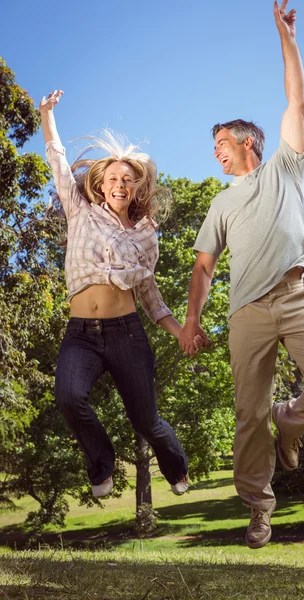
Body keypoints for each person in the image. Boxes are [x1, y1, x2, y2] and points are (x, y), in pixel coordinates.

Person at [179, 1, 304, 549]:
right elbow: (203, 267)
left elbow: (297, 99)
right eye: (213, 149)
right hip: (247, 312)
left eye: (221, 145)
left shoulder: (285, 167)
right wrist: (190, 321)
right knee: (248, 416)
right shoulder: (220, 205)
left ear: (247, 141)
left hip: (295, 298)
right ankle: (259, 509)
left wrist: (286, 37)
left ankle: (291, 422)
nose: (216, 155)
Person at [40, 90, 196, 499]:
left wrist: (180, 330)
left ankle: (176, 466)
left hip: (127, 334)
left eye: (127, 179)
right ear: (101, 184)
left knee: (146, 421)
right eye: (112, 178)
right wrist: (47, 116)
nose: (119, 184)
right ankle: (102, 462)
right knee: (69, 398)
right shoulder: (79, 210)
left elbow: (150, 295)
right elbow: (57, 161)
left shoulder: (146, 234)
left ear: (136, 187)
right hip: (81, 334)